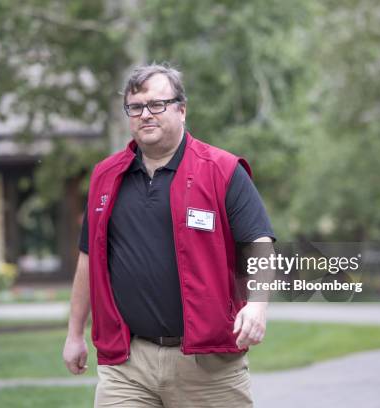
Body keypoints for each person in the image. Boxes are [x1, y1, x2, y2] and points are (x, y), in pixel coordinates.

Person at [63, 63, 275, 407]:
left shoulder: (221, 170)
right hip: (128, 365)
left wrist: (258, 305)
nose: (146, 114)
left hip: (209, 367)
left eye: (157, 104)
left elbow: (260, 243)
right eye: (136, 107)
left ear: (182, 108)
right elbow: (89, 259)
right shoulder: (105, 177)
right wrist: (74, 334)